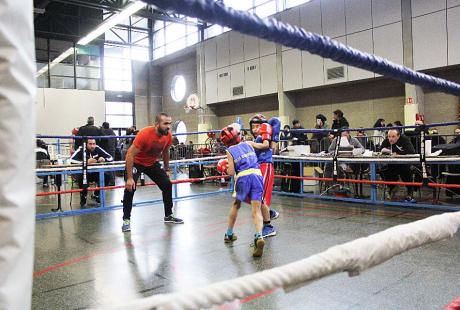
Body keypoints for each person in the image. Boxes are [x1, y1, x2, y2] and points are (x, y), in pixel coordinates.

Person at [121, 113, 183, 232]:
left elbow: (165, 152)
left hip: (151, 163)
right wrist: (129, 178)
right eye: (165, 123)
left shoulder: (168, 136)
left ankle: (168, 215)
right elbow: (130, 154)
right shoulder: (145, 134)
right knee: (130, 188)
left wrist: (166, 169)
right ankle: (126, 220)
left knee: (167, 184)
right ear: (157, 124)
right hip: (136, 162)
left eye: (170, 123)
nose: (168, 126)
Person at [216, 125, 267, 257]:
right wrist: (266, 137)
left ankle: (229, 234)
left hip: (243, 177)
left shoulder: (229, 151)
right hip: (257, 174)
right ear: (237, 135)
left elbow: (232, 172)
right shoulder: (248, 143)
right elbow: (264, 146)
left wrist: (224, 169)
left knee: (236, 206)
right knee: (256, 210)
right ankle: (259, 236)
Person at [248, 114, 280, 238]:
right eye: (253, 127)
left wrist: (274, 137)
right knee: (256, 196)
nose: (255, 129)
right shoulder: (256, 139)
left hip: (265, 165)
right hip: (258, 167)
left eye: (258, 126)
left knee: (260, 196)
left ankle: (269, 227)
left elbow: (275, 120)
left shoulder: (264, 136)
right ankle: (269, 212)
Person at [70, 138, 113, 206]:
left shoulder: (97, 148)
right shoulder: (81, 149)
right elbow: (71, 160)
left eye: (94, 144)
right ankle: (83, 196)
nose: (92, 146)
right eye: (90, 144)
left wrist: (104, 159)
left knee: (107, 177)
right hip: (85, 173)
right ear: (86, 144)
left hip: (95, 173)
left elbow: (110, 157)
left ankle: (96, 194)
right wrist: (85, 162)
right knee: (81, 179)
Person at [379, 129, 416, 202]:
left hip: (404, 163)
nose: (390, 139)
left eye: (393, 136)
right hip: (392, 163)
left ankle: (409, 191)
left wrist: (398, 154)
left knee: (405, 171)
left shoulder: (404, 139)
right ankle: (391, 186)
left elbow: (411, 151)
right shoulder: (387, 141)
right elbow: (379, 150)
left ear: (398, 136)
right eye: (389, 136)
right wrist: (383, 152)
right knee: (382, 171)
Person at [100, 122, 117, 186]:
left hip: (106, 151)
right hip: (112, 150)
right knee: (112, 165)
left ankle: (112, 182)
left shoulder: (103, 132)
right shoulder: (113, 132)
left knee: (108, 166)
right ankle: (112, 180)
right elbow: (116, 142)